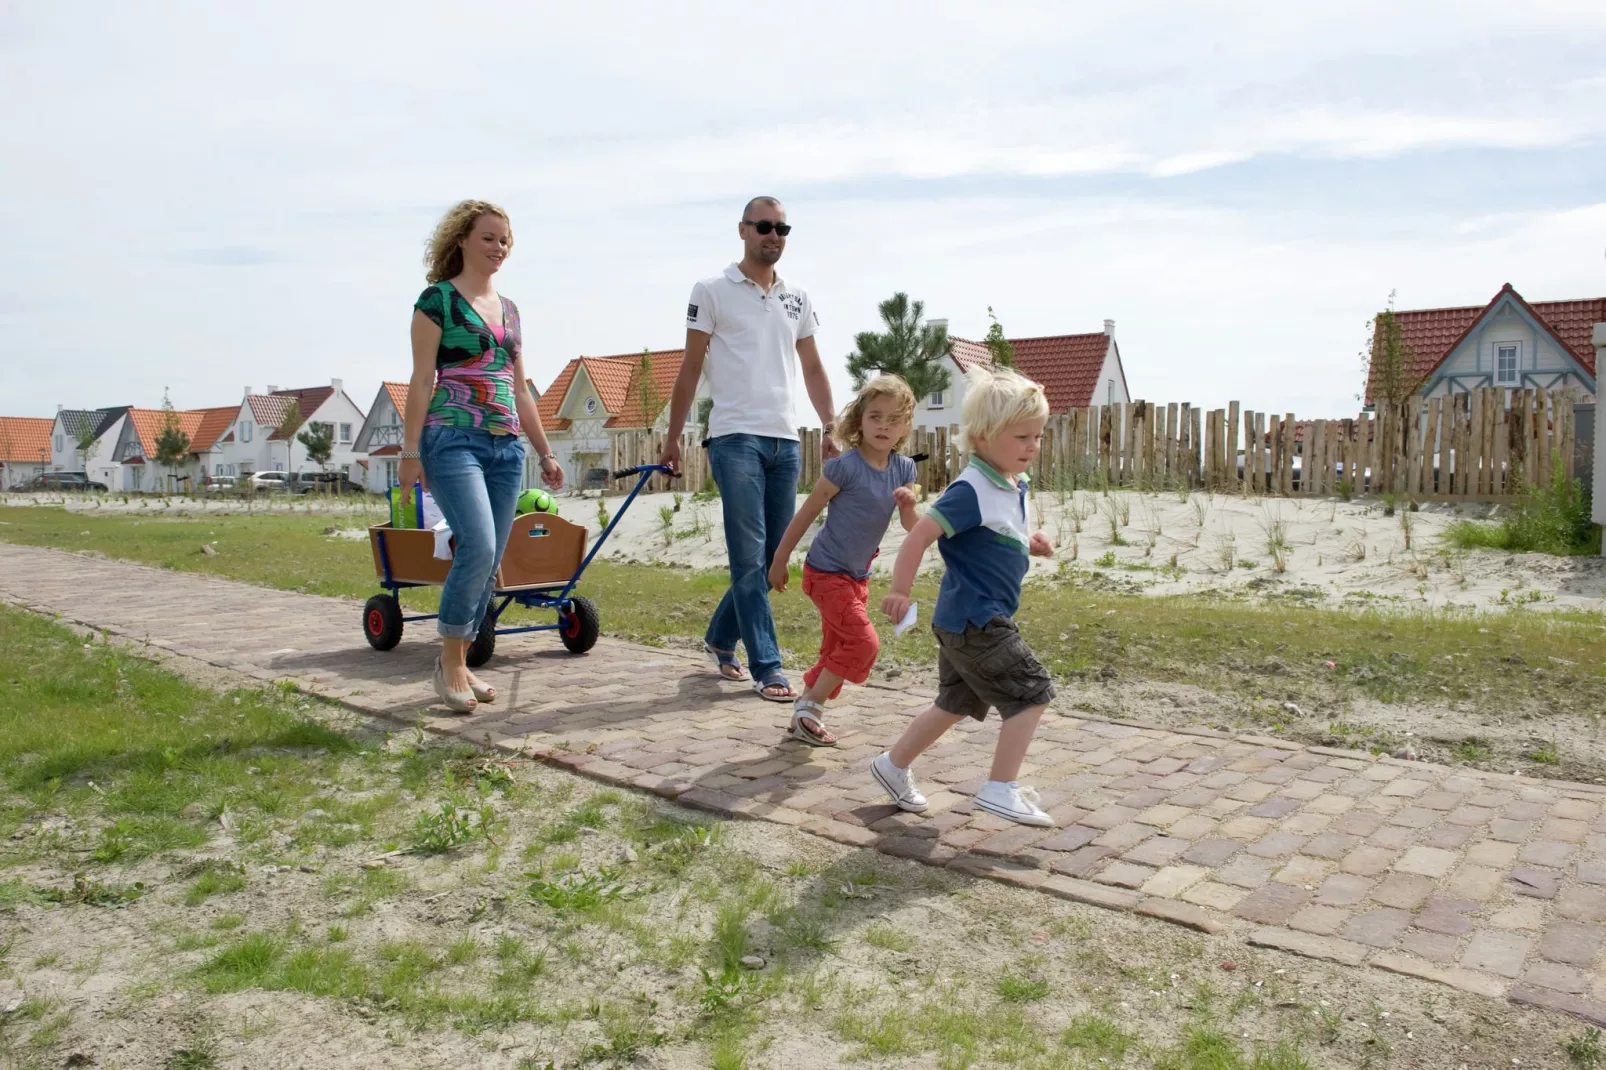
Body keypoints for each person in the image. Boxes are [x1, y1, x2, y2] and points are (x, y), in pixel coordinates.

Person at [661, 196, 838, 702]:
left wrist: (830, 424)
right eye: (765, 226)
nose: (774, 235)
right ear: (743, 230)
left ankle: (720, 636)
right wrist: (674, 437)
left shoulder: (797, 297)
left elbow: (813, 368)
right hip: (734, 437)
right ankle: (768, 667)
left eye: (783, 228)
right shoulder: (712, 290)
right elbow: (690, 369)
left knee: (771, 554)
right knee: (747, 553)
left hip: (785, 439)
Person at [871, 365, 1058, 827]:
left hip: (965, 620)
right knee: (1031, 693)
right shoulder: (970, 488)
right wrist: (899, 589)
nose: (1032, 446)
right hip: (978, 621)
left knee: (955, 703)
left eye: (1036, 436)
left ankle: (891, 766)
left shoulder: (1012, 483)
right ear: (980, 439)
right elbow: (920, 537)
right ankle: (999, 789)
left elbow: (997, 530)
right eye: (1021, 437)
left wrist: (1030, 539)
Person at [397, 199, 564, 713]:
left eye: (505, 240)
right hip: (452, 438)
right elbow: (423, 379)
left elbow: (520, 390)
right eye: (489, 237)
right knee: (478, 544)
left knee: (491, 558)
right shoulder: (437, 302)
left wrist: (544, 451)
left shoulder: (510, 310)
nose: (499, 248)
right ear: (463, 240)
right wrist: (409, 451)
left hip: (506, 445)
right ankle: (449, 665)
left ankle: (462, 662)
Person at [767, 374, 920, 746]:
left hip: (858, 577)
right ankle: (810, 707)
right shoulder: (844, 468)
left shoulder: (905, 470)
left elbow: (913, 528)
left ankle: (805, 711)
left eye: (894, 419)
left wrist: (910, 505)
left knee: (837, 649)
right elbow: (804, 516)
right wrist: (779, 559)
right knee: (864, 644)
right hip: (824, 573)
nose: (884, 426)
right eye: (875, 416)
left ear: (904, 427)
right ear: (859, 420)